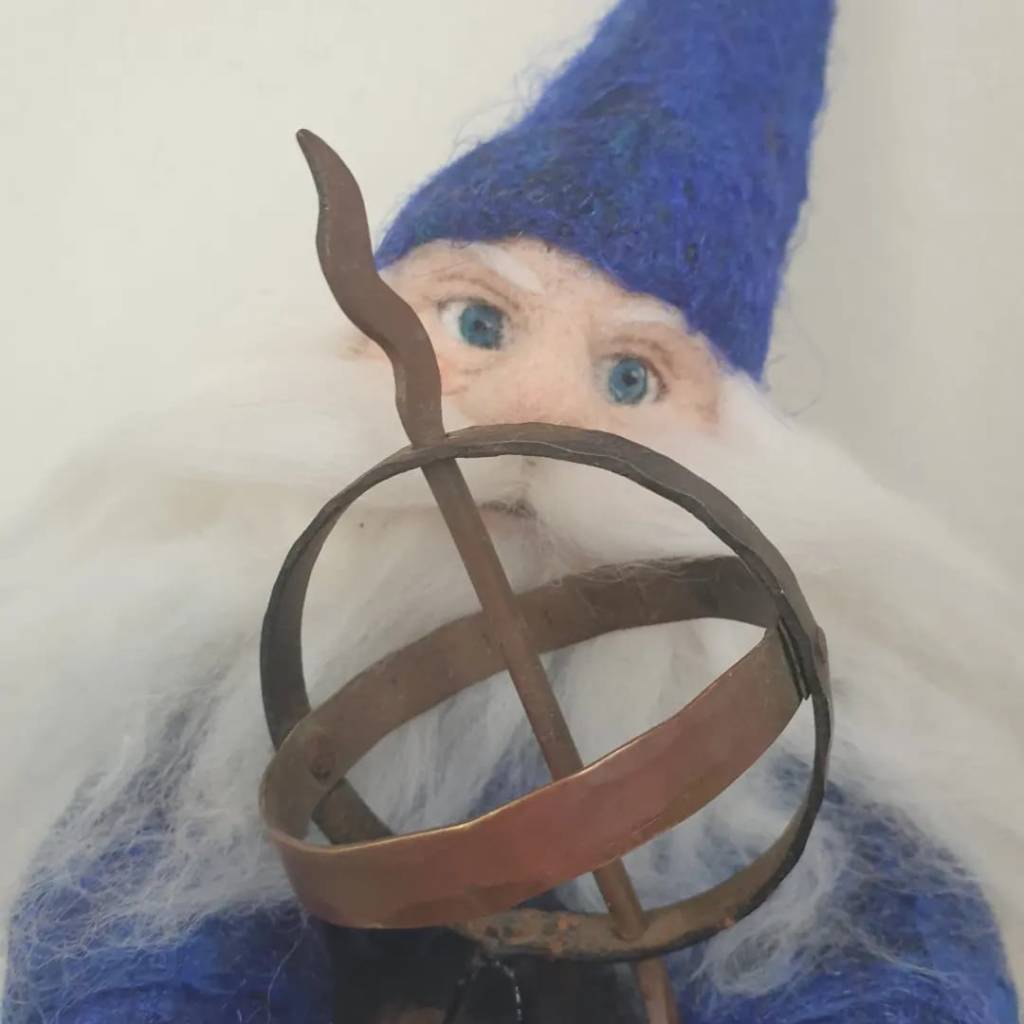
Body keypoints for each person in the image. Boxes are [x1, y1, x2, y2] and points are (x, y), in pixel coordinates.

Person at [2, 1, 1020, 1021]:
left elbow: (886, 961)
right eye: (480, 322)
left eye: (631, 378)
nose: (535, 413)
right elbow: (126, 948)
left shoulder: (773, 762)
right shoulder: (210, 713)